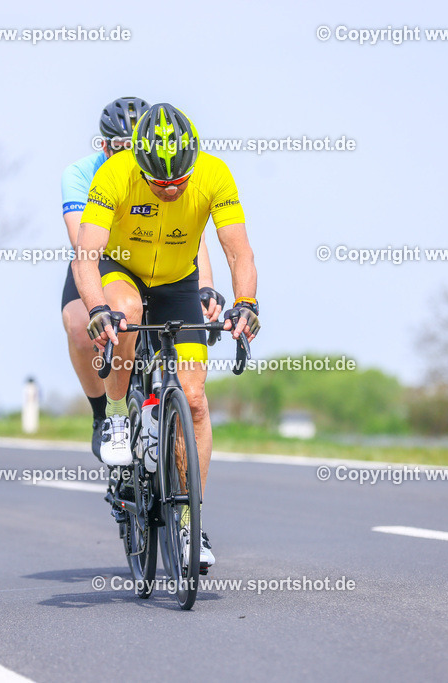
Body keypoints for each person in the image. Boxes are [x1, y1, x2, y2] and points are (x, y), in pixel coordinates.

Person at [73, 103, 260, 570]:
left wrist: (246, 302)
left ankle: (190, 521)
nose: (171, 189)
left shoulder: (215, 174)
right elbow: (86, 254)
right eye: (160, 183)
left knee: (193, 399)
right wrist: (96, 310)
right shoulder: (115, 173)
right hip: (122, 270)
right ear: (139, 163)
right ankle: (118, 413)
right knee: (126, 312)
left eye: (180, 180)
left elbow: (239, 252)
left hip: (178, 282)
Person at [61, 97, 224, 458]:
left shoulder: (160, 169)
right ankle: (104, 415)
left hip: (159, 260)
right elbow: (82, 245)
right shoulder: (82, 174)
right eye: (118, 146)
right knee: (80, 328)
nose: (127, 154)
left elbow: (192, 238)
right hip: (103, 257)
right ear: (104, 145)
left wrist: (206, 285)